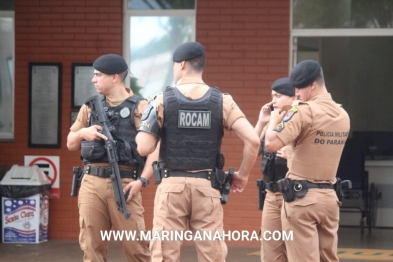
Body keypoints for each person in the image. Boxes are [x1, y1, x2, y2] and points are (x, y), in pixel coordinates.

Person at [135, 41, 260, 262]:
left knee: (163, 255)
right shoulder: (222, 101)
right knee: (212, 256)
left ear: (181, 64)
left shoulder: (161, 100)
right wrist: (243, 174)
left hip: (171, 187)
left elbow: (144, 147)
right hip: (207, 187)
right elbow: (253, 140)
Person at [67, 54, 155, 262]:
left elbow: (155, 149)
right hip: (91, 183)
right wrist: (83, 133)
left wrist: (142, 181)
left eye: (98, 75)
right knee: (91, 248)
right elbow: (71, 143)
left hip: (125, 184)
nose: (93, 79)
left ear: (114, 77)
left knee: (136, 249)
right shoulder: (90, 107)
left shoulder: (140, 107)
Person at [264, 60, 350, 262]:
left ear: (312, 85)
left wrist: (274, 122)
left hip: (302, 200)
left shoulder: (303, 111)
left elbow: (270, 144)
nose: (296, 93)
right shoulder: (342, 115)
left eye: (299, 88)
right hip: (330, 199)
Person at [255, 78, 296, 262]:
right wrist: (261, 122)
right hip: (271, 193)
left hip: (293, 194)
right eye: (272, 96)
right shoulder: (273, 120)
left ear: (294, 97)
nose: (274, 101)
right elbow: (253, 149)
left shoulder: (300, 119)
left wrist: (292, 155)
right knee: (270, 250)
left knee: (294, 250)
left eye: (278, 96)